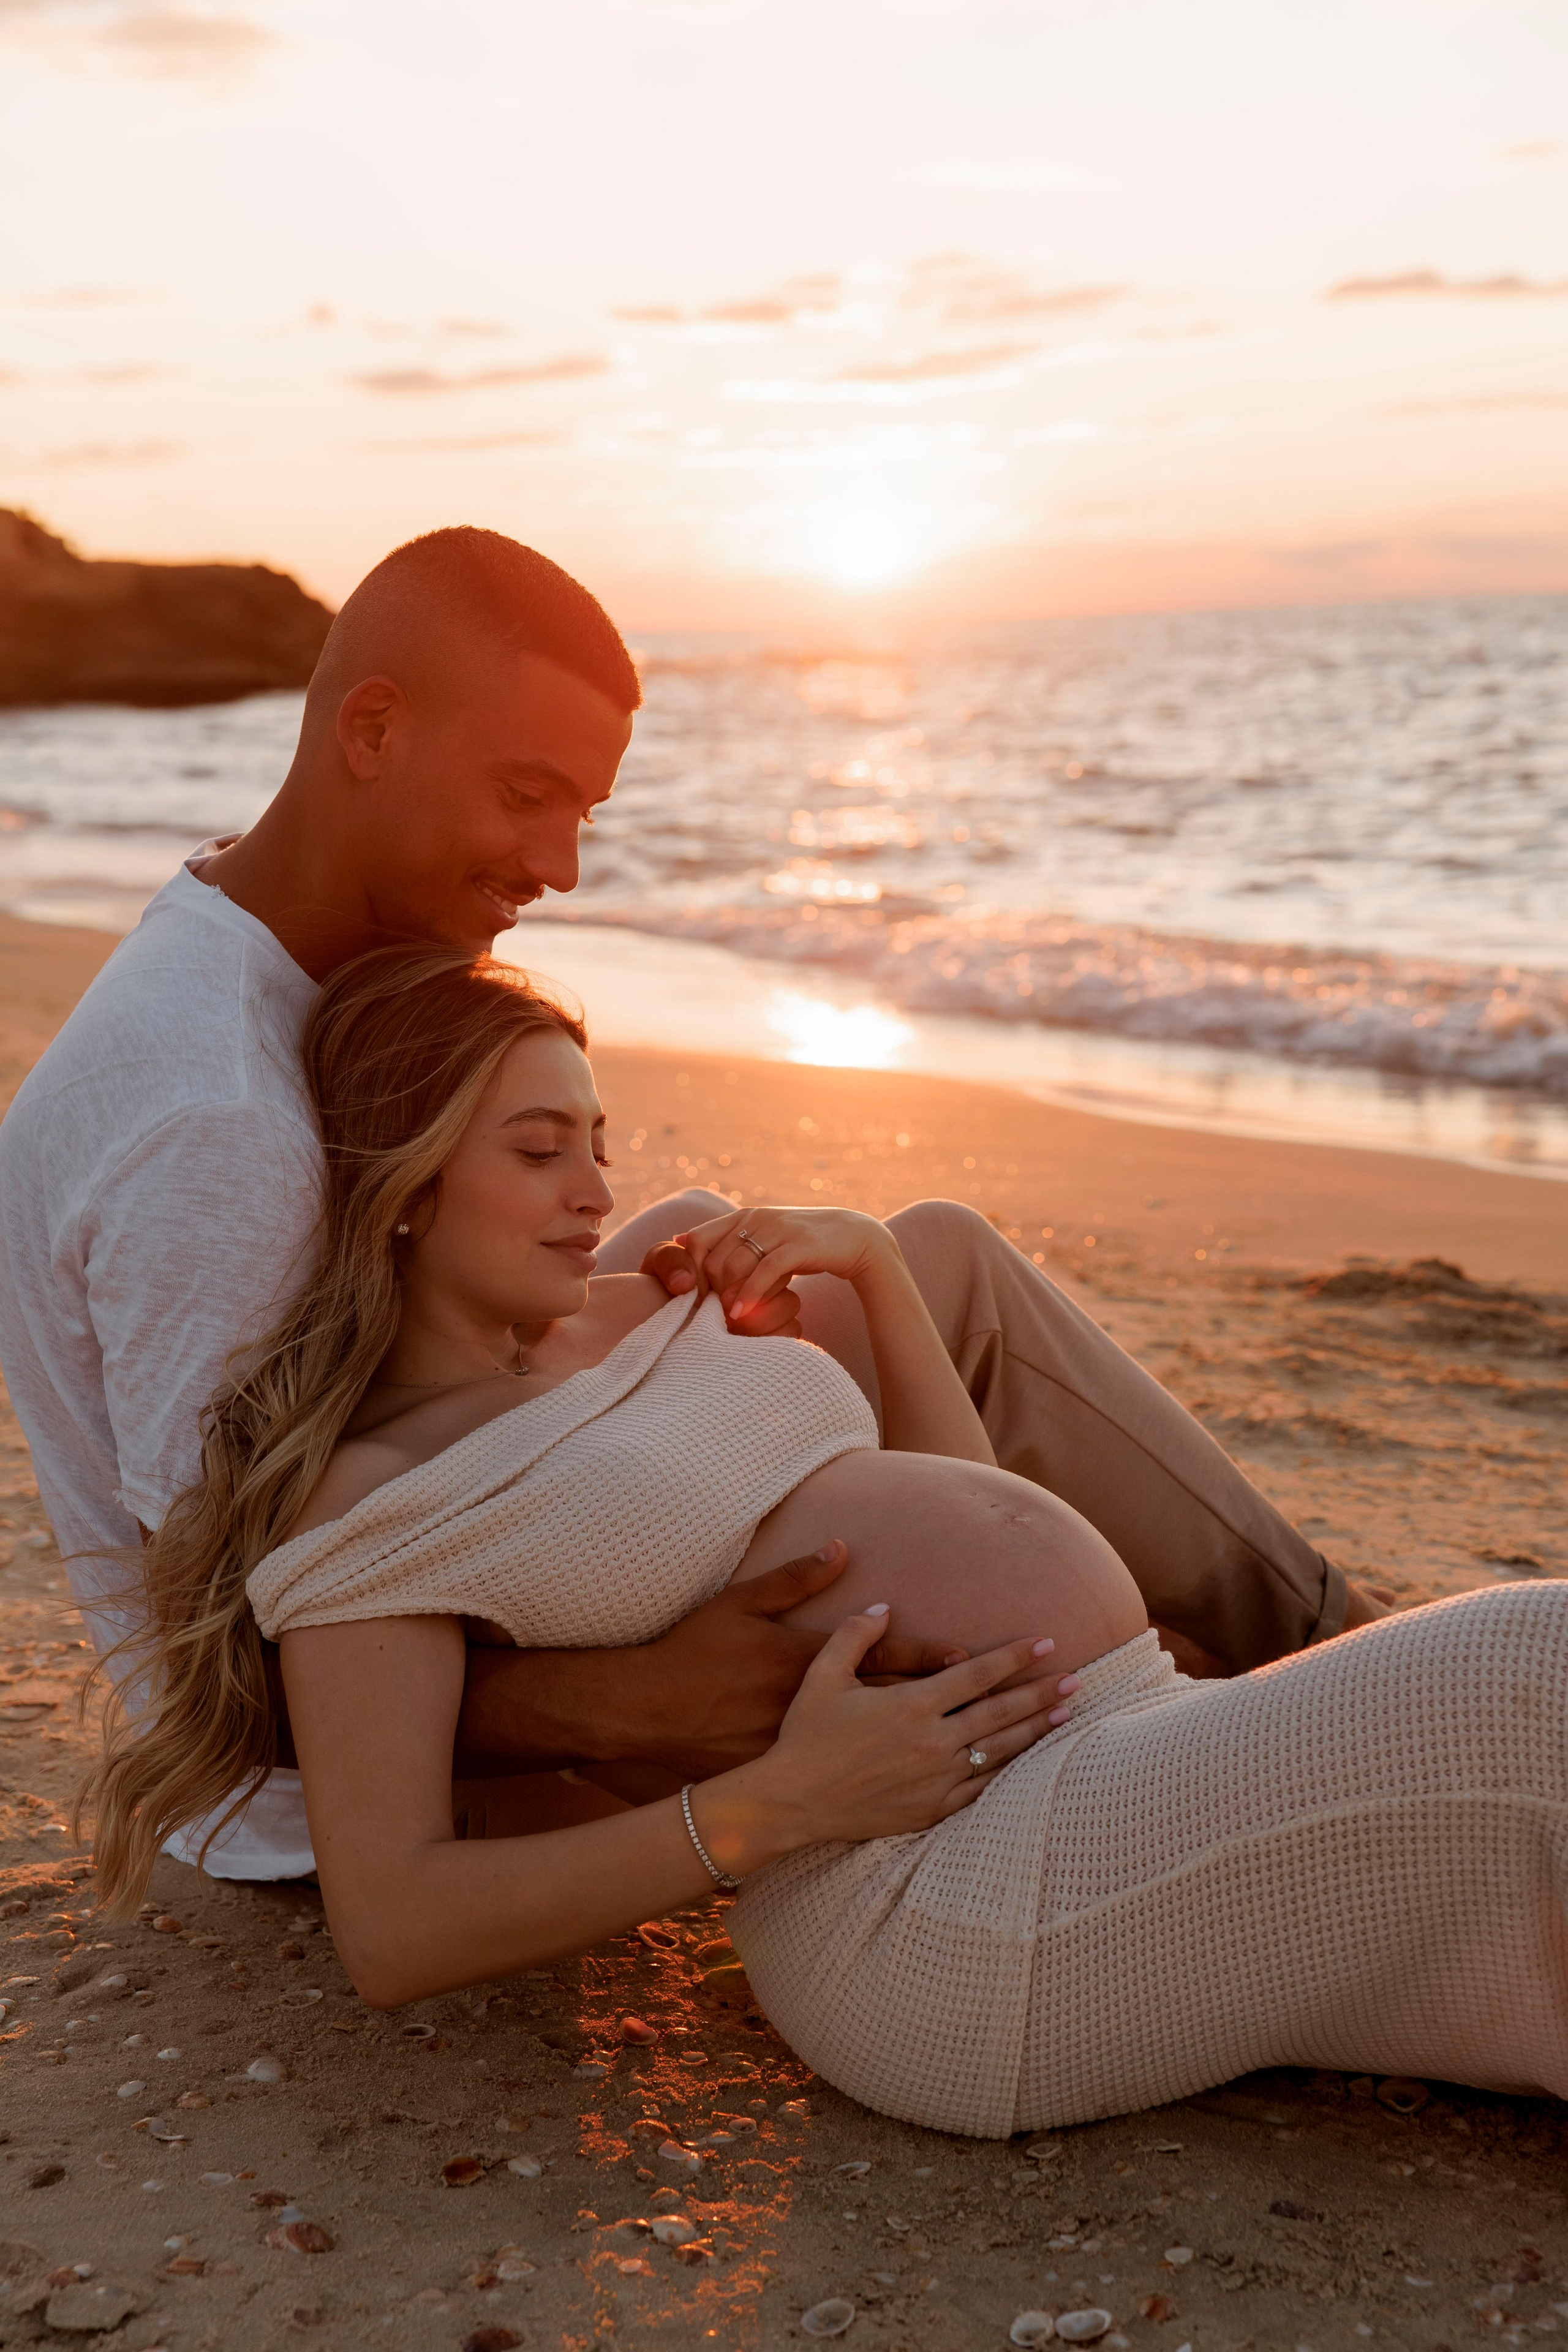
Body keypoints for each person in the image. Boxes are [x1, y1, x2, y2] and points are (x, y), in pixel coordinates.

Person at [0, 522, 1376, 1885]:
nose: (560, 864)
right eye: (524, 794)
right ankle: (1344, 1680)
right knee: (908, 1340)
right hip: (364, 1788)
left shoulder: (248, 940)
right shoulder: (214, 1126)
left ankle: (1330, 1650)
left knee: (913, 1262)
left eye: (583, 813)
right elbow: (225, 1630)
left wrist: (608, 1309)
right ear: (371, 730)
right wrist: (635, 1700)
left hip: (476, 1561)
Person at [82, 948, 1568, 2141]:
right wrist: (762, 1812)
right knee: (1523, 1664)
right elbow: (392, 1921)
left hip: (1101, 1748)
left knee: (1511, 1887)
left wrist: (871, 1264)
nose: (592, 1189)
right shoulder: (375, 1497)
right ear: (401, 1187)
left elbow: (972, 1501)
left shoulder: (638, 1298)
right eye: (538, 1152)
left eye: (596, 1141)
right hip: (931, 1905)